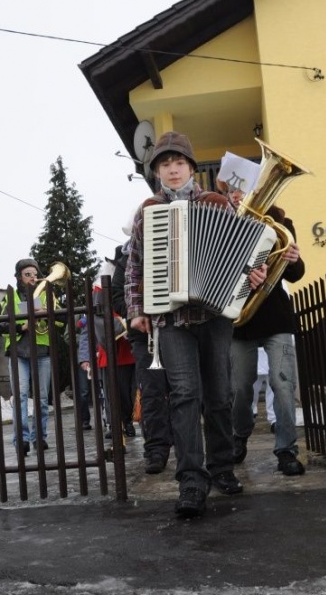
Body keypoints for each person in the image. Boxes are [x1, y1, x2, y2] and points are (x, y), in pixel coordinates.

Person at [125, 130, 243, 518]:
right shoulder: (147, 211)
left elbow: (243, 253)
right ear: (156, 172)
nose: (172, 170)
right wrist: (137, 309)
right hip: (171, 319)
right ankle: (192, 480)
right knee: (185, 395)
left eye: (178, 163)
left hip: (214, 315)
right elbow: (134, 266)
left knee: (219, 394)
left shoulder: (217, 204)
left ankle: (222, 467)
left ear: (191, 167)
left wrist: (251, 275)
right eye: (164, 164)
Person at [225, 192, 307, 476]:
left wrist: (294, 260)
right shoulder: (227, 223)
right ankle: (240, 435)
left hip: (276, 319)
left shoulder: (281, 222)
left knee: (283, 384)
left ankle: (286, 450)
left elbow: (295, 274)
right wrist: (244, 276)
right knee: (239, 388)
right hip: (240, 322)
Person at [111, 240, 174, 475]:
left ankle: (182, 440)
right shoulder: (126, 255)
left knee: (183, 389)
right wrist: (137, 311)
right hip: (143, 332)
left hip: (174, 326)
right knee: (152, 391)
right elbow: (118, 294)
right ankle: (156, 449)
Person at [0, 258, 64, 455]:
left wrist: (45, 312)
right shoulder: (10, 297)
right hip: (19, 353)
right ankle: (22, 440)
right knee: (20, 397)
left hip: (42, 352)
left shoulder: (47, 294)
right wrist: (21, 326)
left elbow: (63, 320)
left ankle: (39, 437)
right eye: (28, 274)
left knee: (42, 399)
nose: (32, 277)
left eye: (35, 274)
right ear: (19, 277)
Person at [80, 262, 136, 445]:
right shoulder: (99, 290)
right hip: (111, 350)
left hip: (131, 350)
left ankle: (127, 421)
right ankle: (116, 427)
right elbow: (98, 320)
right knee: (112, 396)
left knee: (129, 394)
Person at [74, 314, 93, 431]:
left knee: (102, 391)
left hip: (99, 354)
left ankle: (108, 421)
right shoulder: (77, 314)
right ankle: (84, 420)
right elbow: (68, 335)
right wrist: (83, 339)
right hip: (83, 357)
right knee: (84, 391)